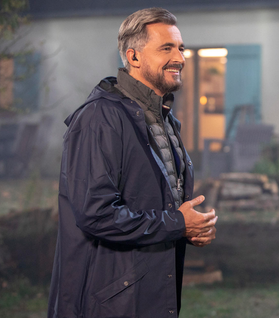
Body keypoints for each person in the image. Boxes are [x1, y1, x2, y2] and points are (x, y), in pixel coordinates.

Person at [47, 8, 217, 318]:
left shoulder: (165, 120)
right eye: (166, 48)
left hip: (150, 295)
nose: (179, 57)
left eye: (180, 47)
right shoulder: (99, 118)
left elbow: (157, 203)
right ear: (134, 57)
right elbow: (95, 213)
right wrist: (177, 223)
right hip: (108, 302)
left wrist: (188, 228)